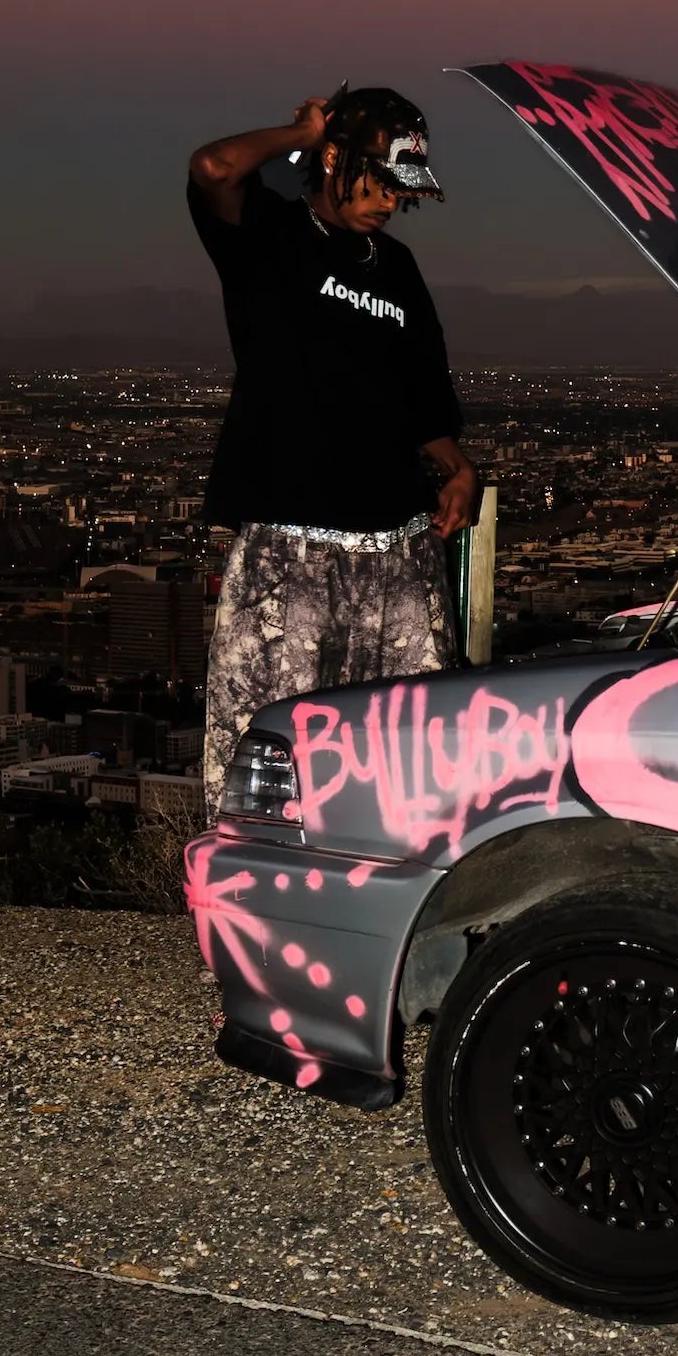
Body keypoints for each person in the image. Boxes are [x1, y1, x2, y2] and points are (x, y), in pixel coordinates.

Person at [188, 88, 479, 817]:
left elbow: (421, 402)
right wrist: (297, 129)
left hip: (402, 547)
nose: (387, 200)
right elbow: (215, 166)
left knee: (413, 750)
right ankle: (258, 907)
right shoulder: (269, 237)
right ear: (331, 159)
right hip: (290, 547)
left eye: (398, 188)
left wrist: (457, 468)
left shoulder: (399, 269)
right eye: (375, 179)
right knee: (269, 752)